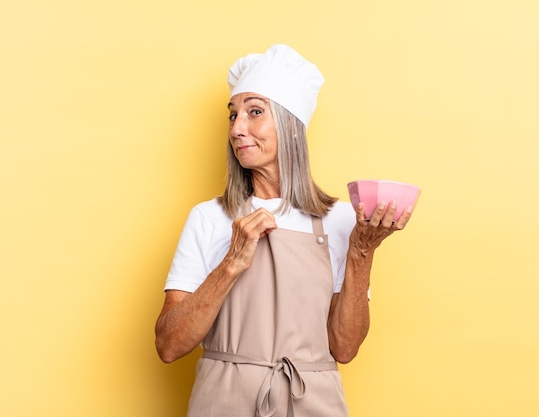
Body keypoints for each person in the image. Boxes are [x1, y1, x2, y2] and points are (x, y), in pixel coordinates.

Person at [155, 44, 415, 417]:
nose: (237, 128)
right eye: (233, 116)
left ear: (291, 126)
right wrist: (232, 262)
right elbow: (169, 345)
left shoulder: (341, 221)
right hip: (223, 403)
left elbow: (344, 348)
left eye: (254, 112)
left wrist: (361, 251)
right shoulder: (209, 218)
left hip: (313, 403)